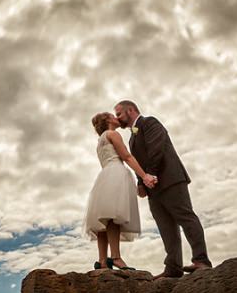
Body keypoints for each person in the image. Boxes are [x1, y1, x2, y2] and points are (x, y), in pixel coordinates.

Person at [114, 100, 213, 280]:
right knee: (166, 227)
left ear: (131, 110)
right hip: (153, 188)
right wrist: (141, 182)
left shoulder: (150, 122)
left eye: (119, 113)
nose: (117, 117)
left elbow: (156, 149)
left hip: (170, 179)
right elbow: (138, 162)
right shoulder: (131, 138)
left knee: (186, 217)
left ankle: (201, 260)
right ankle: (173, 268)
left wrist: (150, 175)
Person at [83, 112, 157, 270]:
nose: (117, 118)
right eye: (113, 115)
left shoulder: (100, 140)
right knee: (113, 217)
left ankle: (102, 261)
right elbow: (127, 157)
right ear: (108, 120)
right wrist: (144, 176)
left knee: (102, 221)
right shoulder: (113, 134)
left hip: (104, 175)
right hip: (116, 173)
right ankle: (116, 257)